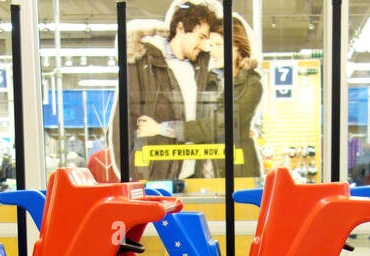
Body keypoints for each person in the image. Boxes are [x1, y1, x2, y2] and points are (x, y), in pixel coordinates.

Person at [139, 12, 263, 178]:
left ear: (237, 47)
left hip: (237, 173)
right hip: (203, 173)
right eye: (211, 45)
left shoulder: (251, 84)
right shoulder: (208, 80)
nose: (213, 51)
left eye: (219, 45)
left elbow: (217, 125)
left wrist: (160, 128)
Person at [109, 2, 222, 181]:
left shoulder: (201, 67)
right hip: (155, 178)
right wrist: (131, 176)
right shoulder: (143, 63)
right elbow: (122, 123)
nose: (203, 45)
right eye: (200, 37)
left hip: (192, 176)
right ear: (181, 27)